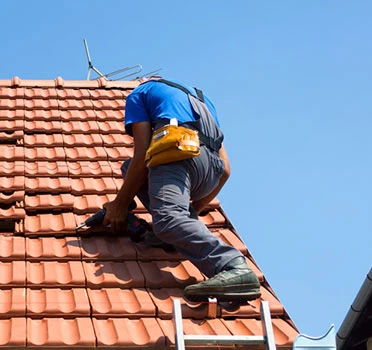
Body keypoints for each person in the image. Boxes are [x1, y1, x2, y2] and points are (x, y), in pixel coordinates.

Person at [102, 76, 261, 303]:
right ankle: (178, 230)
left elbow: (141, 157)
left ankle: (232, 266)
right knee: (130, 170)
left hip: (178, 155)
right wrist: (192, 211)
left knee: (166, 219)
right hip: (209, 172)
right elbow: (226, 170)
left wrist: (118, 205)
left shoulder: (139, 94)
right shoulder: (202, 99)